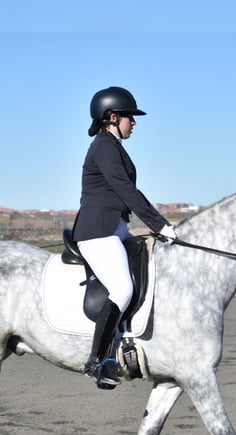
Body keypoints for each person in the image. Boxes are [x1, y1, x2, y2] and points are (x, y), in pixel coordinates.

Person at [72, 86, 177, 390]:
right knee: (121, 288)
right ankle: (98, 360)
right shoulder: (104, 146)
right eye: (130, 117)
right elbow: (127, 191)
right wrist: (161, 225)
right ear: (113, 117)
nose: (135, 122)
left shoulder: (113, 145)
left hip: (116, 227)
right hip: (98, 231)